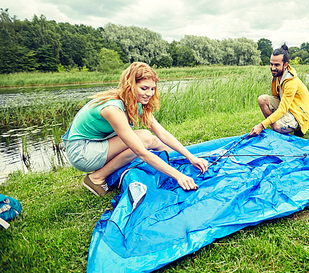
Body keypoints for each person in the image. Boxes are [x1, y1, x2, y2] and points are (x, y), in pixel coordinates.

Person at [62, 62, 208, 196]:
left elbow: (162, 133)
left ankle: (177, 160)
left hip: (99, 143)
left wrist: (190, 157)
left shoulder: (134, 102)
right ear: (130, 85)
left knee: (151, 139)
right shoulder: (113, 109)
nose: (149, 93)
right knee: (144, 138)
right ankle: (96, 178)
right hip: (82, 152)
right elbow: (141, 152)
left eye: (152, 88)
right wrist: (178, 176)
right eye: (144, 88)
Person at [249, 44, 309, 137]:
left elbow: (282, 109)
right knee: (262, 99)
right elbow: (277, 98)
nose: (273, 67)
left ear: (285, 65)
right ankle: (278, 127)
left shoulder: (291, 82)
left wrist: (262, 125)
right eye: (271, 64)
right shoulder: (276, 76)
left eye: (276, 65)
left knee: (276, 127)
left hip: (299, 112)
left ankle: (289, 128)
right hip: (289, 107)